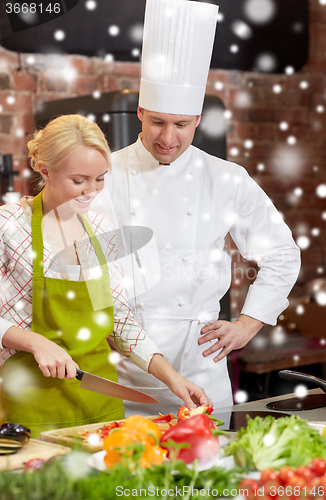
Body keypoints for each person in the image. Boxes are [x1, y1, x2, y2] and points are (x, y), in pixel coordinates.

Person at [92, 0, 301, 417]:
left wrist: (248, 323)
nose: (168, 137)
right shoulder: (105, 172)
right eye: (156, 122)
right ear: (140, 112)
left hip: (202, 364)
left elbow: (281, 253)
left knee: (209, 474)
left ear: (198, 120)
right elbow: (88, 256)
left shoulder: (226, 178)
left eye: (181, 125)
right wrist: (104, 321)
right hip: (125, 366)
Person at [0, 114, 212, 438]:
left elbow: (119, 321)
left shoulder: (99, 229)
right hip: (30, 406)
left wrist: (174, 379)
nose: (91, 191)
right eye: (79, 180)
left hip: (100, 407)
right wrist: (33, 341)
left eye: (100, 179)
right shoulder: (9, 225)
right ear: (44, 169)